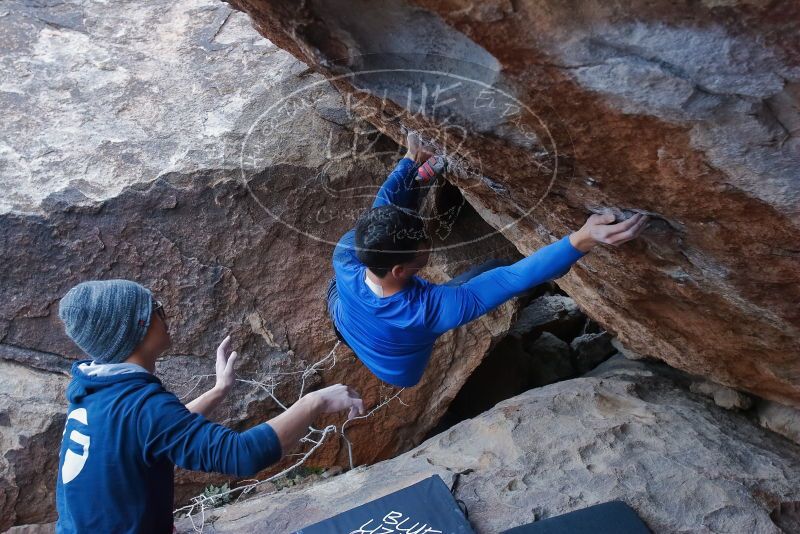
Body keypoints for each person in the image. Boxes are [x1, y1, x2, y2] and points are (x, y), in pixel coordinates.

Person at [327, 133, 648, 388]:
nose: (429, 243)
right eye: (423, 248)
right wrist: (582, 239)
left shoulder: (346, 254)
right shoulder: (429, 310)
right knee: (493, 270)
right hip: (397, 369)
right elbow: (512, 278)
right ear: (400, 270)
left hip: (343, 313)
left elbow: (382, 210)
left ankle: (422, 170)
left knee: (382, 223)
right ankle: (420, 177)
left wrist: (410, 161)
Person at [55, 279, 364, 534]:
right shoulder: (143, 407)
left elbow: (156, 433)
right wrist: (315, 401)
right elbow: (241, 455)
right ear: (139, 328)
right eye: (157, 309)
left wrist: (219, 390)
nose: (166, 315)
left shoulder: (94, 389)